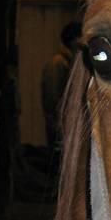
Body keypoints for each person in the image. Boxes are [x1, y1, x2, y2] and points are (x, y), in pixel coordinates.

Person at [41, 21, 82, 157]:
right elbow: (53, 101)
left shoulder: (67, 63)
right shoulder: (58, 64)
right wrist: (59, 130)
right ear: (73, 41)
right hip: (60, 132)